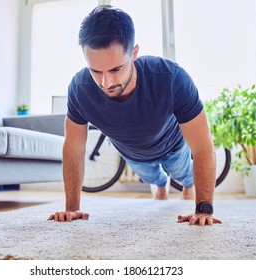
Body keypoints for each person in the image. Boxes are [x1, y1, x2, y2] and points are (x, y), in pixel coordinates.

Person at [48, 5, 222, 226]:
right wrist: (72, 208)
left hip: (172, 147)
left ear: (135, 53)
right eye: (96, 71)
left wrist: (203, 209)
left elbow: (203, 145)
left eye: (115, 69)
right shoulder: (79, 88)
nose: (106, 83)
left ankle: (187, 187)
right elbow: (74, 148)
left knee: (184, 174)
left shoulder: (172, 78)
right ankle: (160, 187)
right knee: (153, 178)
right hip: (133, 153)